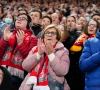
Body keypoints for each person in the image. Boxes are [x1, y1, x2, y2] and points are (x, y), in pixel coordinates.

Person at [19, 24, 70, 90]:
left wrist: (51, 55)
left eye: (53, 33)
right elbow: (25, 66)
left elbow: (63, 71)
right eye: (47, 33)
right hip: (31, 86)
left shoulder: (63, 51)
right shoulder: (35, 49)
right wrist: (38, 54)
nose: (50, 35)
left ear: (57, 38)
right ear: (43, 37)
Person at [0, 13, 38, 90]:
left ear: (28, 24)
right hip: (2, 72)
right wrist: (5, 40)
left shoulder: (33, 38)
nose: (19, 19)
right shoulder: (8, 34)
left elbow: (30, 60)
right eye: (18, 18)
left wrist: (21, 43)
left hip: (18, 77)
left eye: (23, 18)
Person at [69, 19, 100, 90]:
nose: (91, 27)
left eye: (94, 25)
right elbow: (82, 64)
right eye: (90, 25)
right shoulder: (89, 42)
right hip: (91, 84)